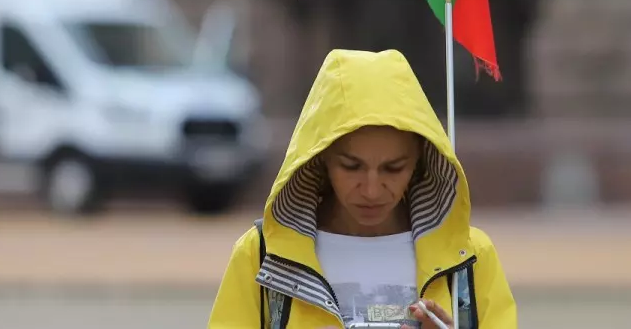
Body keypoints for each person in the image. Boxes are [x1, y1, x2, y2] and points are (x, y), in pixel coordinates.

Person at [208, 49, 516, 329]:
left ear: (422, 159)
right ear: (321, 157)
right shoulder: (263, 256)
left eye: (393, 168)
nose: (371, 190)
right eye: (351, 166)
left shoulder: (469, 258)